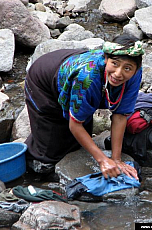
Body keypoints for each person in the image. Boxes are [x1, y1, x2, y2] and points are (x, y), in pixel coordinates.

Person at [24, 34, 144, 180]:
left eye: (127, 68)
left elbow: (120, 116)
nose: (119, 73)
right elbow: (75, 125)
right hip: (44, 79)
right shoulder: (87, 78)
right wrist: (103, 160)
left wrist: (116, 159)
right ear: (106, 59)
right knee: (49, 152)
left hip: (77, 75)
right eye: (115, 64)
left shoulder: (134, 74)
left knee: (77, 142)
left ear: (136, 69)